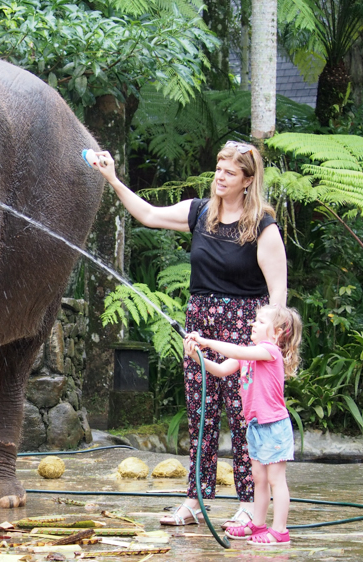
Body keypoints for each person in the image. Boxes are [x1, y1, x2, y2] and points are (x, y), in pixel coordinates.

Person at [90, 142, 287, 528]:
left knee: (245, 416)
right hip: (200, 329)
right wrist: (112, 178)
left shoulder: (262, 227)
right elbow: (147, 214)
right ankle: (196, 500)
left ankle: (250, 502)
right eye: (218, 168)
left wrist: (259, 347)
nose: (220, 176)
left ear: (247, 181)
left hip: (243, 332)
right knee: (201, 416)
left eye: (230, 172)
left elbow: (277, 298)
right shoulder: (200, 213)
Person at [184, 304, 302, 545]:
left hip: (273, 426)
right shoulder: (248, 354)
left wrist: (206, 341)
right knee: (258, 478)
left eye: (259, 322)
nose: (253, 325)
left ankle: (279, 531)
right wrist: (196, 355)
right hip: (256, 426)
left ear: (278, 331)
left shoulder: (269, 351)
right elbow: (219, 370)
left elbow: (236, 350)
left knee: (276, 480)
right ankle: (258, 526)